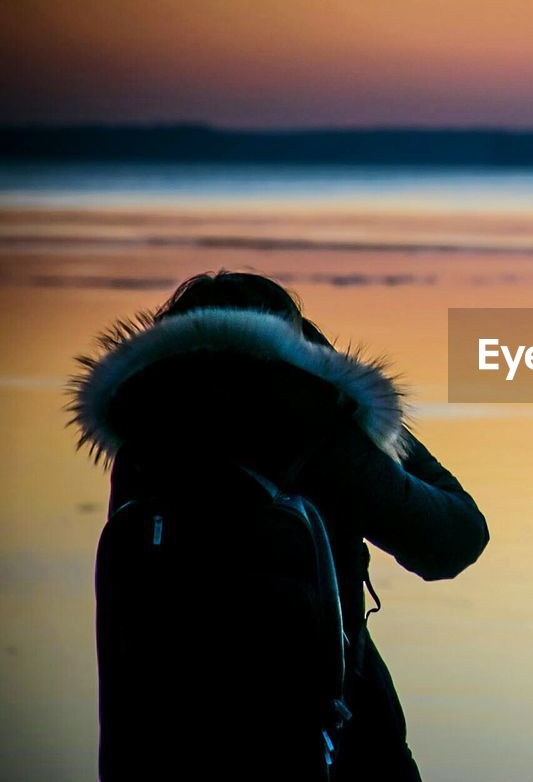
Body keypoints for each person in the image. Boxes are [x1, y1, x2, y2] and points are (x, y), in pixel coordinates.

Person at [72, 271, 489, 781]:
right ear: (294, 344)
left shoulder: (146, 444)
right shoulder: (312, 431)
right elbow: (452, 540)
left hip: (166, 745)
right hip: (327, 747)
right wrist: (374, 420)